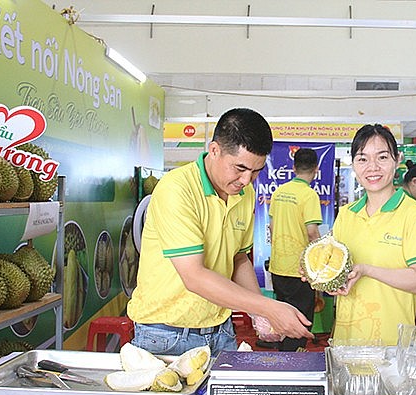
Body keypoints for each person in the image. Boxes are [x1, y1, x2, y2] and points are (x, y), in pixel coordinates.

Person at [127, 108, 313, 357]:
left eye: (256, 171)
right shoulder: (177, 189)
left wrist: (258, 314)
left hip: (220, 330)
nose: (246, 180)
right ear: (214, 151)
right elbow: (193, 276)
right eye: (239, 168)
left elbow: (238, 258)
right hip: (165, 334)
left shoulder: (244, 193)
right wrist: (269, 307)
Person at [328, 124, 416, 345]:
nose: (373, 167)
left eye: (382, 157)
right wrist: (322, 276)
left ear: (397, 160)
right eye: (363, 159)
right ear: (353, 165)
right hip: (345, 345)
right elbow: (338, 274)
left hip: (391, 348)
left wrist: (367, 270)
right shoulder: (346, 214)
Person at [267, 148, 323, 351]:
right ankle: (293, 362)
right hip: (300, 270)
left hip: (278, 266)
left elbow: (272, 228)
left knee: (283, 317)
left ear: (293, 168)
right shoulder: (309, 195)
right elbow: (312, 233)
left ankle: (284, 357)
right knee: (300, 320)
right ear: (316, 169)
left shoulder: (279, 192)